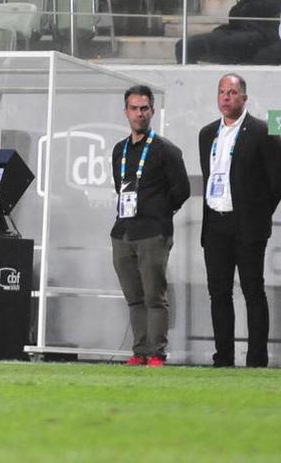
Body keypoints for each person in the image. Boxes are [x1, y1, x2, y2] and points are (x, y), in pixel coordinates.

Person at [198, 73, 281, 367]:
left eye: (232, 92)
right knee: (218, 294)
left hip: (247, 226)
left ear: (244, 98)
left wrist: (258, 216)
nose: (226, 97)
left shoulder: (262, 130)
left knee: (252, 291)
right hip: (216, 225)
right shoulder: (207, 133)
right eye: (221, 92)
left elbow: (276, 183)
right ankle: (223, 358)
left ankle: (257, 359)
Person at [109, 85, 189, 367]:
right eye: (134, 108)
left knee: (155, 296)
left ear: (152, 111)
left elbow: (182, 190)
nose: (139, 113)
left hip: (153, 233)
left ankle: (156, 353)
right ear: (126, 112)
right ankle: (140, 351)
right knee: (134, 298)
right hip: (123, 232)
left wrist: (159, 212)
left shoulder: (167, 150)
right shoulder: (119, 150)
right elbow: (120, 188)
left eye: (144, 108)